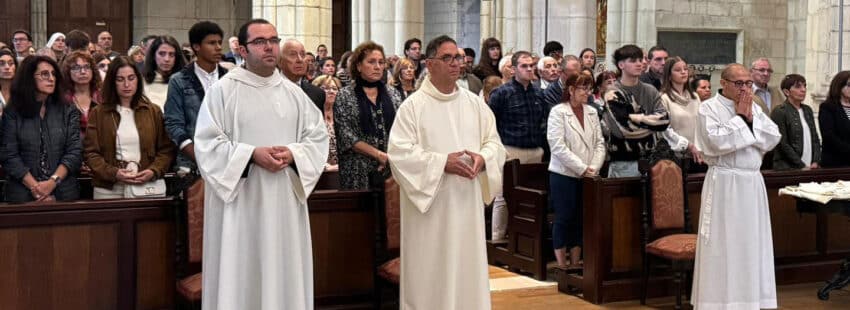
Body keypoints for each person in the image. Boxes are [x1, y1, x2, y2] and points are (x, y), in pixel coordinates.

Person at [193, 19, 329, 310]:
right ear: (242, 49)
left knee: (283, 269)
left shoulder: (294, 93)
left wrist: (293, 154)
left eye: (274, 40)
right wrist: (251, 154)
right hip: (241, 204)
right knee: (240, 273)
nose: (269, 46)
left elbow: (317, 138)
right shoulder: (223, 91)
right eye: (259, 41)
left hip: (283, 203)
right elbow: (207, 145)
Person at [387, 34, 506, 310]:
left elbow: (494, 143)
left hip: (466, 204)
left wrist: (483, 158)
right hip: (430, 211)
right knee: (432, 274)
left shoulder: (475, 104)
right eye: (447, 58)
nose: (456, 63)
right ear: (430, 64)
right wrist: (442, 163)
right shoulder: (413, 107)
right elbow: (400, 154)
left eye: (459, 57)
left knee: (466, 271)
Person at [691, 63, 780, 309]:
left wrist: (749, 118)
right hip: (724, 183)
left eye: (748, 83)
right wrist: (741, 119)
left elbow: (773, 137)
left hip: (751, 182)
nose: (744, 89)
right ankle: (718, 302)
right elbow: (715, 143)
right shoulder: (708, 108)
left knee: (751, 243)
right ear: (724, 83)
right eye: (739, 83)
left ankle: (751, 300)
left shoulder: (754, 108)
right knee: (723, 244)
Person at [84, 56, 175, 199]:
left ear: (138, 80)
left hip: (145, 185)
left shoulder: (153, 111)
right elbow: (91, 153)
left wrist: (154, 170)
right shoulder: (99, 113)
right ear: (112, 82)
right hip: (109, 188)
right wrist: (114, 173)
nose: (127, 84)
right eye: (120, 79)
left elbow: (166, 149)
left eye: (131, 78)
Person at [0, 55, 82, 203]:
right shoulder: (12, 112)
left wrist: (52, 182)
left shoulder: (67, 109)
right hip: (22, 195)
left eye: (53, 74)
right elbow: (9, 155)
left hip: (63, 193)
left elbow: (74, 151)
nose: (51, 78)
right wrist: (36, 187)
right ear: (29, 78)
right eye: (44, 74)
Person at [547, 72, 605, 269]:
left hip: (589, 174)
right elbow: (557, 146)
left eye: (589, 88)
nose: (587, 93)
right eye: (583, 88)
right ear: (571, 90)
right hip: (564, 174)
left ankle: (576, 262)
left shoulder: (592, 112)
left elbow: (599, 143)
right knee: (564, 217)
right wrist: (581, 168)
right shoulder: (558, 112)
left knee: (582, 218)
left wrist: (594, 167)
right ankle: (562, 264)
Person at [487, 51, 546, 241]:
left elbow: (543, 120)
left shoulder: (539, 92)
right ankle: (498, 238)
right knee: (503, 196)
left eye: (531, 66)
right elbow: (490, 123)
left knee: (530, 196)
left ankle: (524, 239)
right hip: (510, 149)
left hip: (534, 150)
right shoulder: (502, 93)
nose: (529, 69)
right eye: (524, 66)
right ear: (513, 69)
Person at [334, 41, 403, 190]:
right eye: (371, 62)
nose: (377, 67)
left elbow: (403, 130)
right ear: (358, 66)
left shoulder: (393, 94)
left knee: (390, 212)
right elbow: (347, 136)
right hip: (357, 170)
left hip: (391, 168)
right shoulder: (345, 95)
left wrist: (389, 157)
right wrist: (378, 155)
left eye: (381, 62)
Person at [165, 21, 228, 177]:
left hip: (226, 159)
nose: (218, 47)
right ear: (196, 46)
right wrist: (197, 154)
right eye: (212, 43)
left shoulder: (229, 79)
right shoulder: (179, 80)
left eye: (220, 42)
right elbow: (173, 123)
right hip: (191, 162)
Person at [602, 45, 669, 177]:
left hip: (651, 159)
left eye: (640, 60)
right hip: (623, 162)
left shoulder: (650, 90)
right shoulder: (612, 92)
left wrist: (636, 118)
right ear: (621, 65)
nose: (639, 64)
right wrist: (652, 124)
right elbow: (623, 130)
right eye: (633, 61)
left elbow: (664, 120)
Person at [659, 56, 703, 166]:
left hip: (697, 154)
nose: (683, 72)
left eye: (685, 69)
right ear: (669, 76)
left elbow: (702, 124)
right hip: (675, 156)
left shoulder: (695, 97)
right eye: (678, 70)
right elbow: (664, 129)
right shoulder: (663, 98)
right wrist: (687, 145)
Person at [770, 74, 820, 170]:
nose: (803, 90)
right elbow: (782, 143)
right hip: (788, 167)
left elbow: (815, 138)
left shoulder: (807, 110)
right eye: (798, 87)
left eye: (804, 86)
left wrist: (815, 161)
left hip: (810, 166)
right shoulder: (780, 111)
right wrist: (800, 165)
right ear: (786, 92)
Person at [61, 51, 102, 139]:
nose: (83, 71)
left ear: (93, 70)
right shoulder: (63, 100)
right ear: (68, 72)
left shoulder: (102, 97)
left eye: (87, 67)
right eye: (76, 68)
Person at [279, 39, 326, 111]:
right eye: (293, 55)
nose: (300, 59)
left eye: (303, 55)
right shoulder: (269, 91)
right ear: (280, 61)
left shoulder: (318, 94)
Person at [143, 36, 186, 109]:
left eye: (171, 54)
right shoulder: (141, 82)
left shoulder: (185, 82)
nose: (167, 59)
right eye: (162, 54)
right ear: (153, 55)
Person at [818, 71, 850, 168]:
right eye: (849, 85)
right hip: (835, 163)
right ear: (839, 86)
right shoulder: (828, 107)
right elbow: (829, 136)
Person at [312, 74, 342, 170]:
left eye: (334, 88)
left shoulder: (343, 116)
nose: (331, 91)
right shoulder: (312, 116)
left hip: (342, 171)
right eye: (326, 88)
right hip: (319, 170)